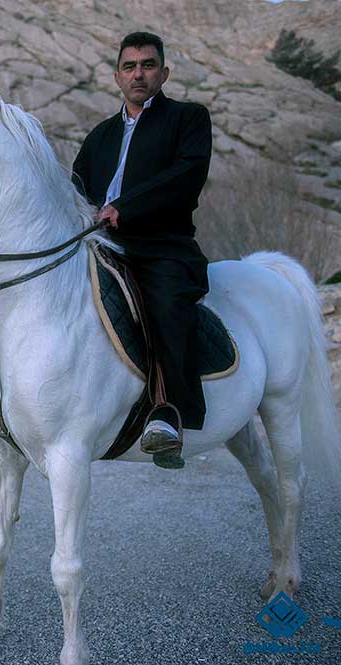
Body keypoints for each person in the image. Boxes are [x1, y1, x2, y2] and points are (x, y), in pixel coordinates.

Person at [71, 31, 212, 469]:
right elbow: (76, 188)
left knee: (166, 305)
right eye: (130, 66)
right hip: (101, 244)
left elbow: (186, 177)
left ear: (164, 72)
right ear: (117, 76)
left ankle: (168, 414)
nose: (139, 74)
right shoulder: (100, 135)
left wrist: (123, 208)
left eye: (148, 65)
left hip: (160, 246)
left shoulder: (188, 119)